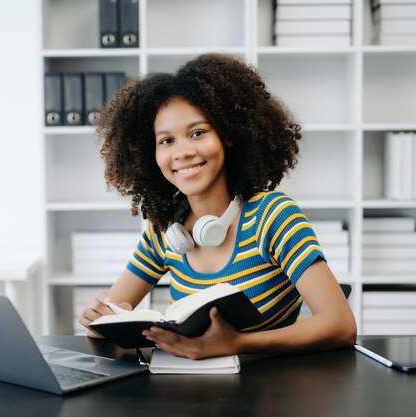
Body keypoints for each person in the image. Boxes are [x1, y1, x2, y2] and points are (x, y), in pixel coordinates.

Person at [78, 53, 357, 359]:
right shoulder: (164, 232)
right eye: (166, 141)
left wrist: (236, 343)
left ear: (229, 136)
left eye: (197, 133)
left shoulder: (273, 216)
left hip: (272, 394)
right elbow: (114, 312)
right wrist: (100, 318)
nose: (182, 152)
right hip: (192, 394)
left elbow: (341, 325)